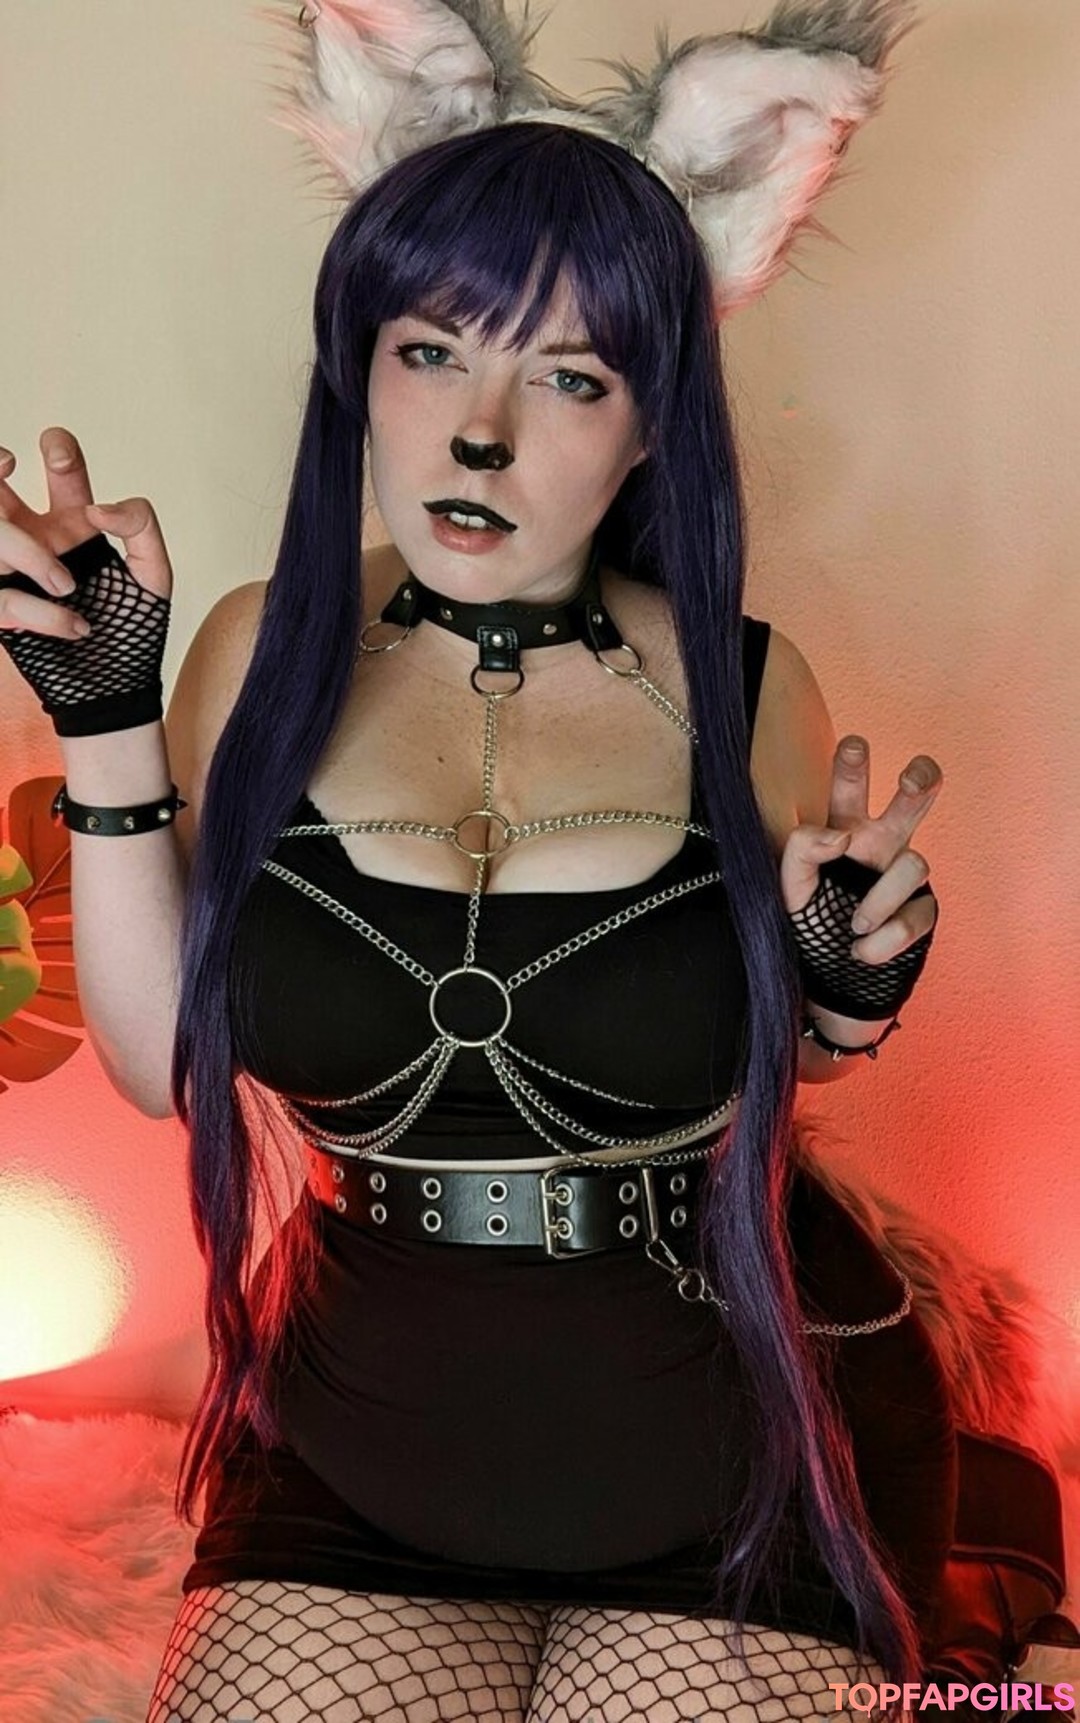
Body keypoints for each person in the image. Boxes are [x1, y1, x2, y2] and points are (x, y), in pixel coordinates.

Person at [0, 24, 957, 1723]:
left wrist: (844, 997)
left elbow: (783, 1059)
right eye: (433, 352)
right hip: (354, 1457)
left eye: (572, 379)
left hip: (721, 1456)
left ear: (653, 426)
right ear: (359, 370)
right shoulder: (257, 651)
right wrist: (103, 717)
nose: (483, 435)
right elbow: (159, 1065)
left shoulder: (746, 684)